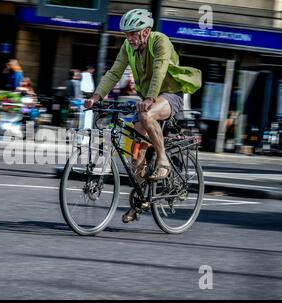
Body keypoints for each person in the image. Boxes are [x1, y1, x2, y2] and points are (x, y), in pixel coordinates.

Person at [84, 8, 202, 223]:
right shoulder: (128, 46)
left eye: (133, 33)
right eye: (126, 34)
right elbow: (114, 72)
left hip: (169, 95)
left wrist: (149, 98)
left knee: (147, 116)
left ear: (146, 31)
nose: (129, 38)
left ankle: (164, 160)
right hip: (148, 98)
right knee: (137, 156)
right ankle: (140, 202)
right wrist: (96, 96)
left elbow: (159, 69)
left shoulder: (160, 41)